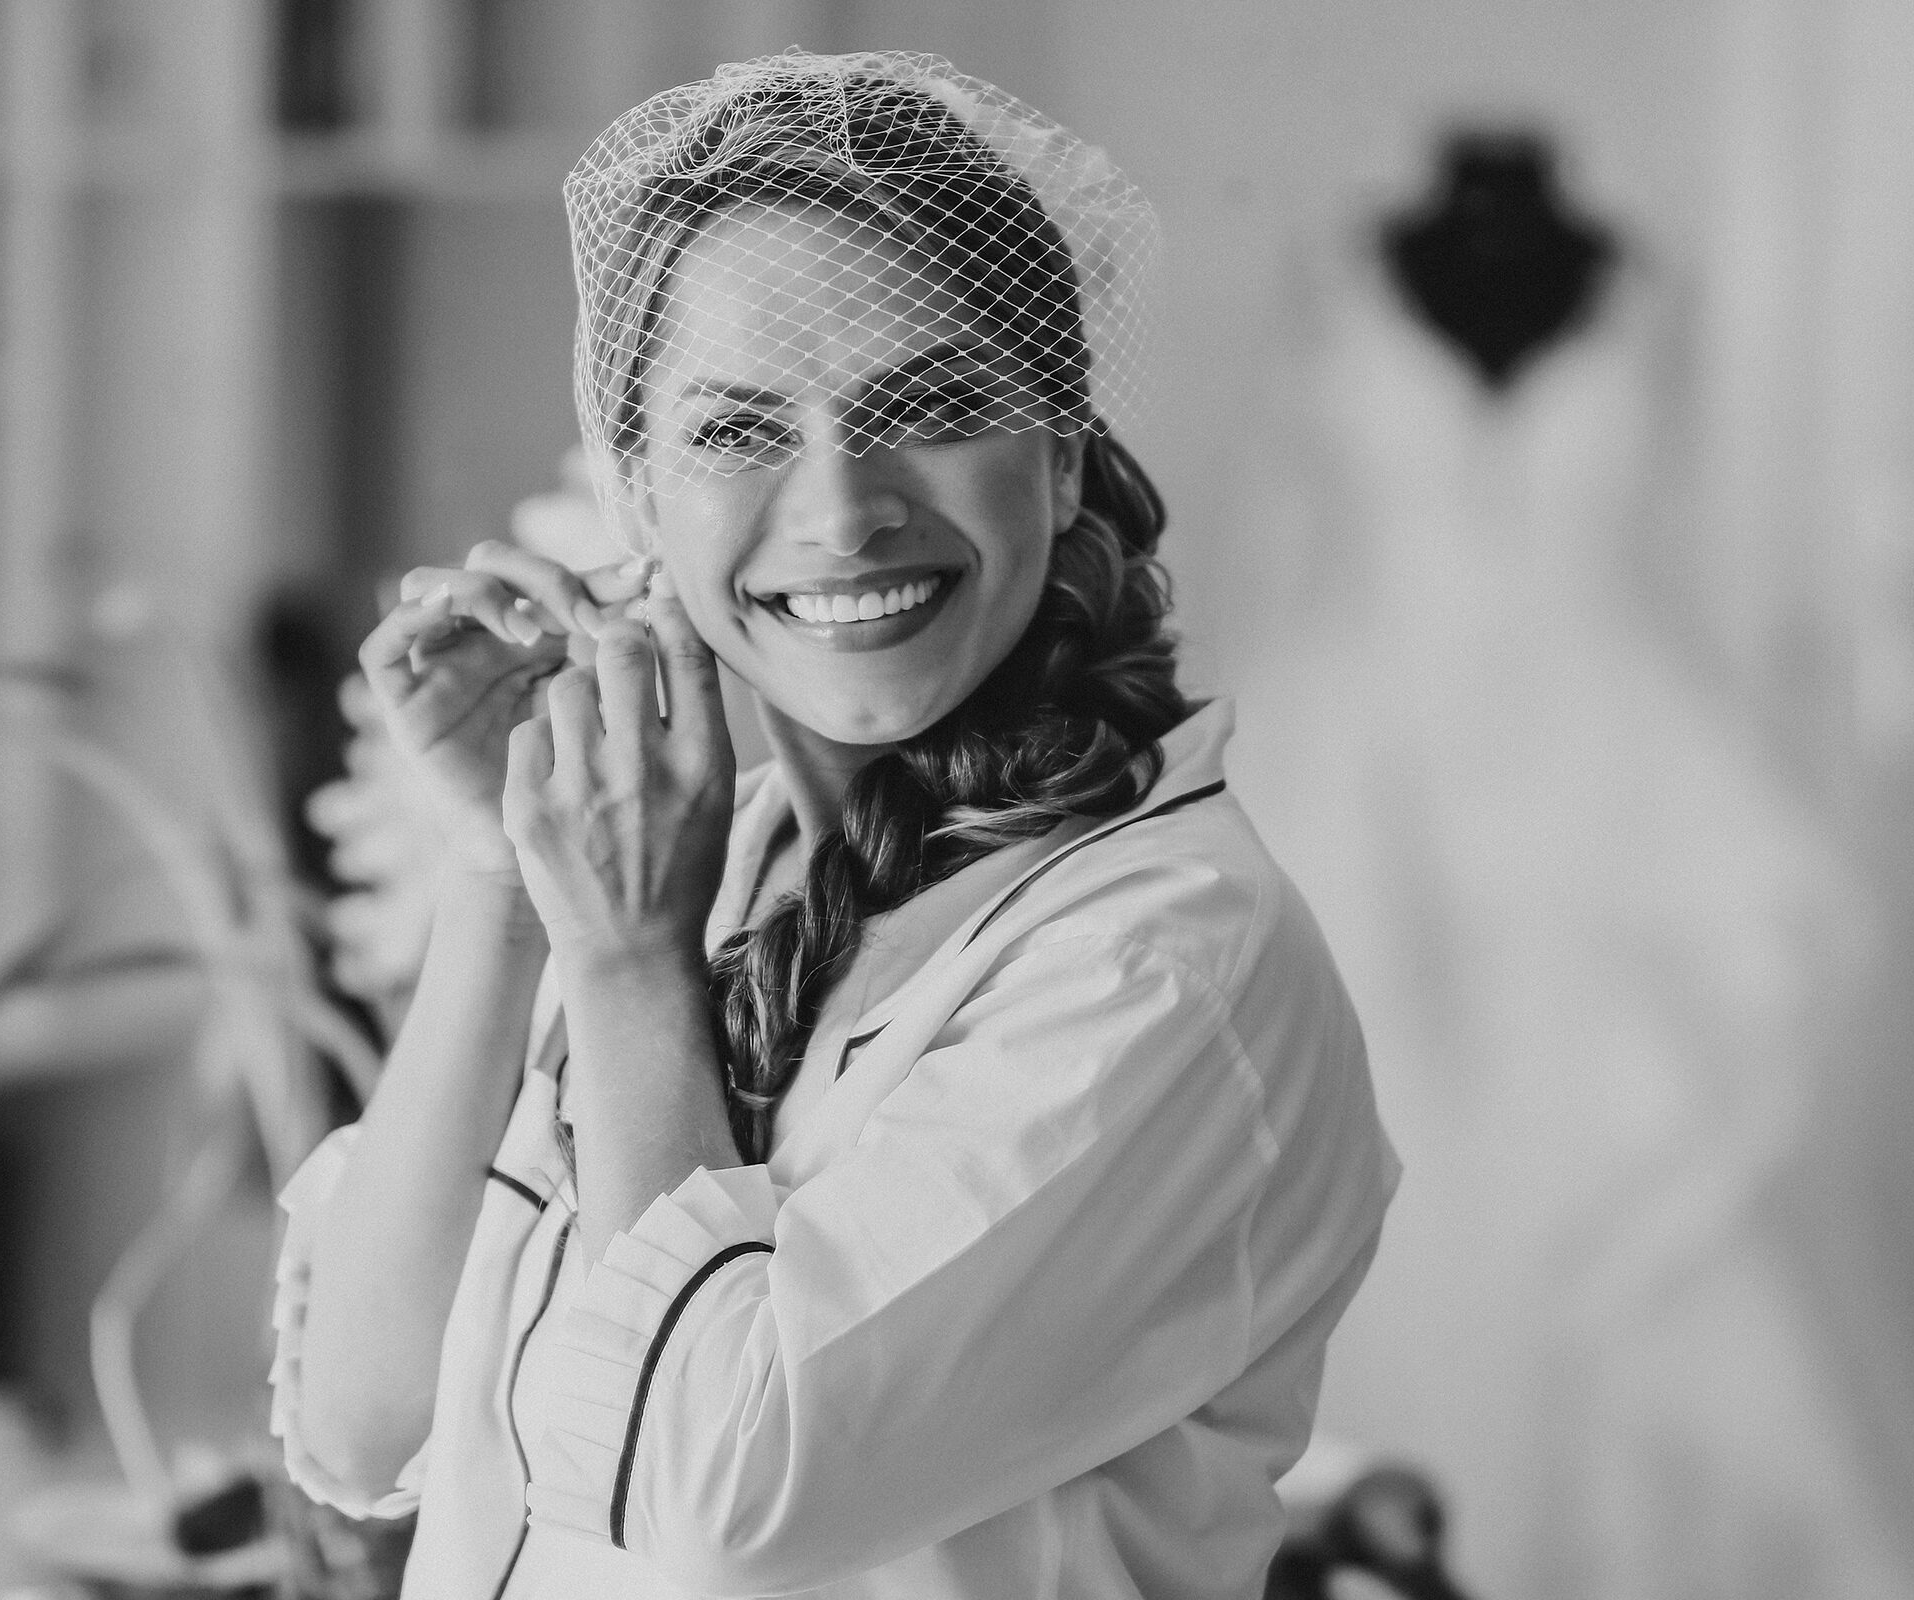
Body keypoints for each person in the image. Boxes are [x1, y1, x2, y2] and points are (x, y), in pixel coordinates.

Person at [272, 49, 1396, 1599]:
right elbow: (362, 1423)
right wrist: (501, 881)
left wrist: (623, 966)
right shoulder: (696, 868)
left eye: (928, 407)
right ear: (637, 494)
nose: (842, 508)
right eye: (738, 430)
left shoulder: (1160, 968)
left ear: (1062, 456)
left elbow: (707, 1487)